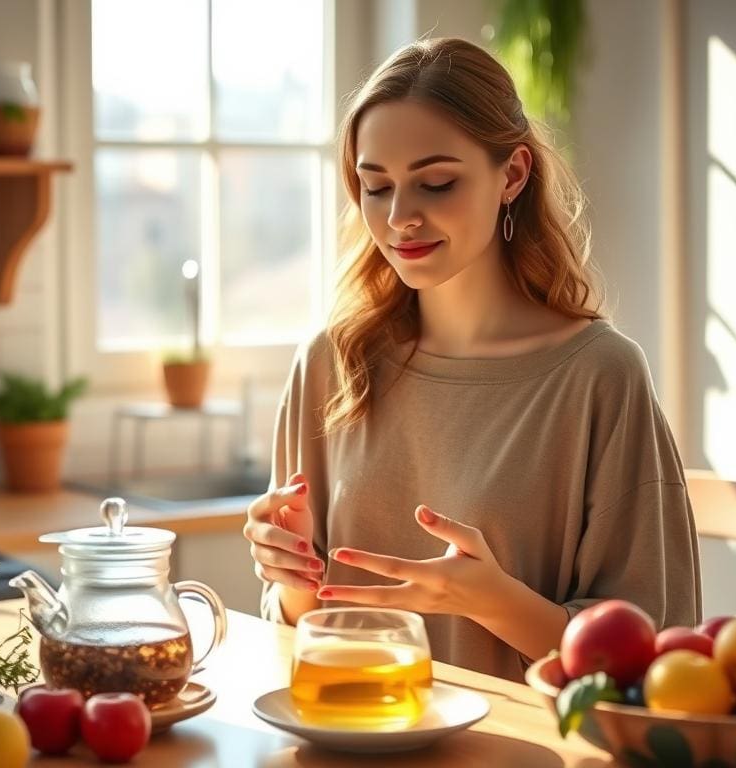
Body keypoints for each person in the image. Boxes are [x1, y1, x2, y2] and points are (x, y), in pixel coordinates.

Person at [243, 37, 701, 682]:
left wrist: (491, 601)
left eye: (436, 183)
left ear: (512, 175)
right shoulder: (330, 363)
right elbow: (300, 628)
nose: (401, 217)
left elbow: (652, 662)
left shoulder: (600, 376)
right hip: (351, 736)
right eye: (376, 188)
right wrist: (290, 577)